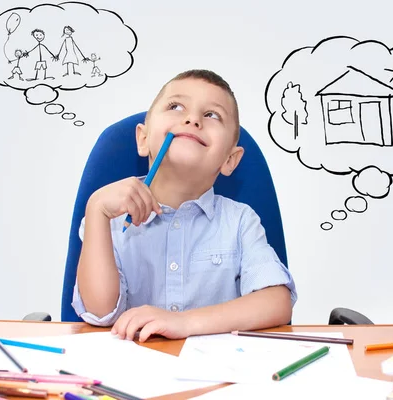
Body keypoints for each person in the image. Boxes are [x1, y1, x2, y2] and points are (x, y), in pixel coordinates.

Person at [72, 69, 297, 342]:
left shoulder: (240, 221)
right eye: (175, 106)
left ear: (230, 160)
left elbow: (277, 302)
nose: (192, 119)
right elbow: (100, 312)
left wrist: (183, 322)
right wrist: (95, 208)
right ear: (143, 139)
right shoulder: (109, 219)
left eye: (212, 115)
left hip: (218, 375)